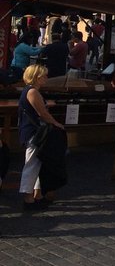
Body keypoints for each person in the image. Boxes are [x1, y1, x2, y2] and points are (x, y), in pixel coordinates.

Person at [17, 64, 68, 211]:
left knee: (38, 162)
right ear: (36, 77)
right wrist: (56, 123)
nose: (46, 78)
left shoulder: (32, 91)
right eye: (43, 76)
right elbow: (42, 114)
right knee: (32, 163)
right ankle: (28, 196)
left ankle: (36, 195)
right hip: (33, 132)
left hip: (34, 131)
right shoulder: (32, 92)